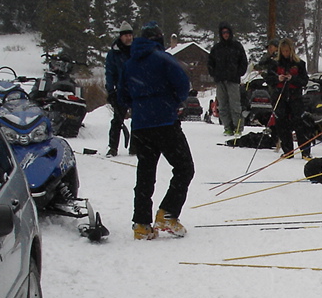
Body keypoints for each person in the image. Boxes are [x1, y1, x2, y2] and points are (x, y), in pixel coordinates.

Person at [119, 22, 196, 240]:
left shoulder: (130, 63)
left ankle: (141, 224)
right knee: (184, 168)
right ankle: (167, 214)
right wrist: (172, 102)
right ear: (159, 40)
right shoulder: (164, 59)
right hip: (164, 121)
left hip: (141, 125)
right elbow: (183, 86)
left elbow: (122, 96)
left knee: (145, 173)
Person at [207, 22, 249, 136]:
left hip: (233, 80)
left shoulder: (237, 46)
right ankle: (227, 127)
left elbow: (243, 61)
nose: (225, 34)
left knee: (235, 105)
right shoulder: (216, 48)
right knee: (223, 105)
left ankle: (238, 127)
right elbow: (210, 63)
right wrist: (214, 74)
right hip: (220, 80)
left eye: (227, 32)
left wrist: (238, 73)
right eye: (223, 32)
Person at [271, 38, 310, 157]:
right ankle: (288, 151)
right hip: (280, 96)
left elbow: (304, 80)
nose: (285, 53)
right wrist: (278, 78)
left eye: (287, 51)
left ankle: (305, 152)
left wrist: (293, 78)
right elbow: (268, 78)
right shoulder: (275, 64)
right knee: (282, 124)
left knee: (300, 124)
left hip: (295, 97)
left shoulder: (299, 63)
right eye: (283, 51)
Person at [104, 25, 133, 157]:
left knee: (138, 120)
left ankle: (135, 148)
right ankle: (113, 147)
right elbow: (110, 73)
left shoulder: (136, 50)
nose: (129, 38)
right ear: (121, 36)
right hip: (120, 91)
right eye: (126, 35)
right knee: (117, 120)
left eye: (130, 35)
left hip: (136, 90)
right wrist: (111, 91)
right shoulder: (113, 53)